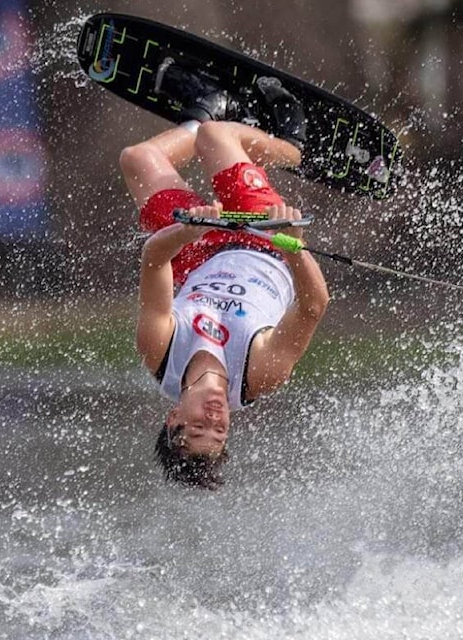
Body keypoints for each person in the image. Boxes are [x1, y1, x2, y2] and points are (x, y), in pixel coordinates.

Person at [118, 60, 329, 489]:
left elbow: (155, 261)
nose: (213, 420)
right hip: (264, 244)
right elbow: (314, 304)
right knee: (218, 139)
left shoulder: (160, 351)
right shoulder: (261, 373)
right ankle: (291, 144)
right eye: (219, 432)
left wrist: (187, 229)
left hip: (197, 252)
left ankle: (214, 107)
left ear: (173, 416)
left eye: (197, 428)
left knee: (138, 158)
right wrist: (291, 241)